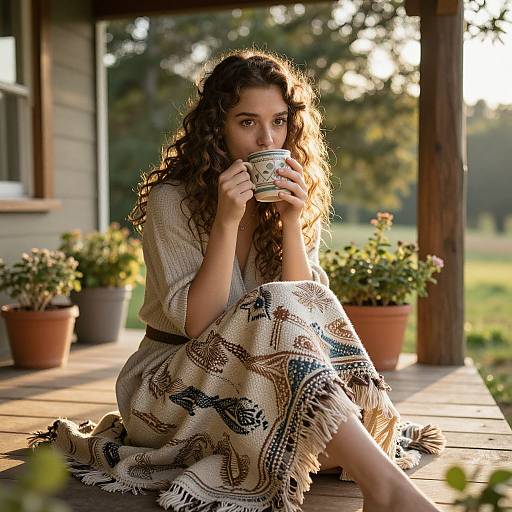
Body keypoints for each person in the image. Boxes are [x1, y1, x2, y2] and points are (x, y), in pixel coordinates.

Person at [28, 49, 445, 512]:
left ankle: (378, 485)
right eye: (247, 122)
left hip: (261, 386)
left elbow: (308, 307)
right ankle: (388, 492)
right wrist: (227, 222)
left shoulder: (293, 202)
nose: (267, 139)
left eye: (279, 121)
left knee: (318, 423)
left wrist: (291, 223)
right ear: (218, 128)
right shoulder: (173, 201)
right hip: (173, 385)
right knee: (275, 316)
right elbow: (199, 324)